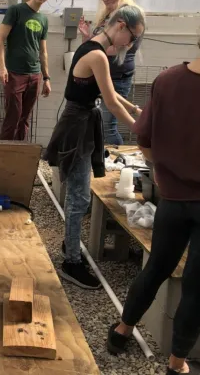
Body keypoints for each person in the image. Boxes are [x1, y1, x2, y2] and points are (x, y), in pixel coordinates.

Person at [107, 47, 200, 375]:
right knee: (196, 286)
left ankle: (121, 331)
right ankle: (177, 363)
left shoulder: (167, 80)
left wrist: (159, 173)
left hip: (172, 199)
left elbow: (143, 138)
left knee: (156, 267)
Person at [44, 5, 145, 289]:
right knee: (79, 198)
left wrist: (134, 108)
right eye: (133, 37)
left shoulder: (92, 47)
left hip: (82, 121)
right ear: (121, 26)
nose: (132, 44)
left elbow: (107, 89)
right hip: (77, 126)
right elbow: (110, 101)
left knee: (80, 194)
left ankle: (70, 246)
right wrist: (140, 129)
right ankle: (71, 262)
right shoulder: (98, 54)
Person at [78, 0, 140, 145]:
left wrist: (137, 120)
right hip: (98, 75)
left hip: (117, 76)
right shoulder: (106, 18)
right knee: (101, 124)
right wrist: (86, 36)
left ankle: (114, 163)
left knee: (107, 125)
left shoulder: (131, 17)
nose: (106, 0)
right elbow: (94, 47)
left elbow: (119, 48)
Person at [0, 0, 55, 141]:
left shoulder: (43, 19)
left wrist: (46, 78)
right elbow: (0, 39)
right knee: (12, 118)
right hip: (15, 74)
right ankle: (4, 156)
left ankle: (21, 155)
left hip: (34, 76)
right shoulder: (16, 11)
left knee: (25, 119)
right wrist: (2, 67)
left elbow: (43, 51)